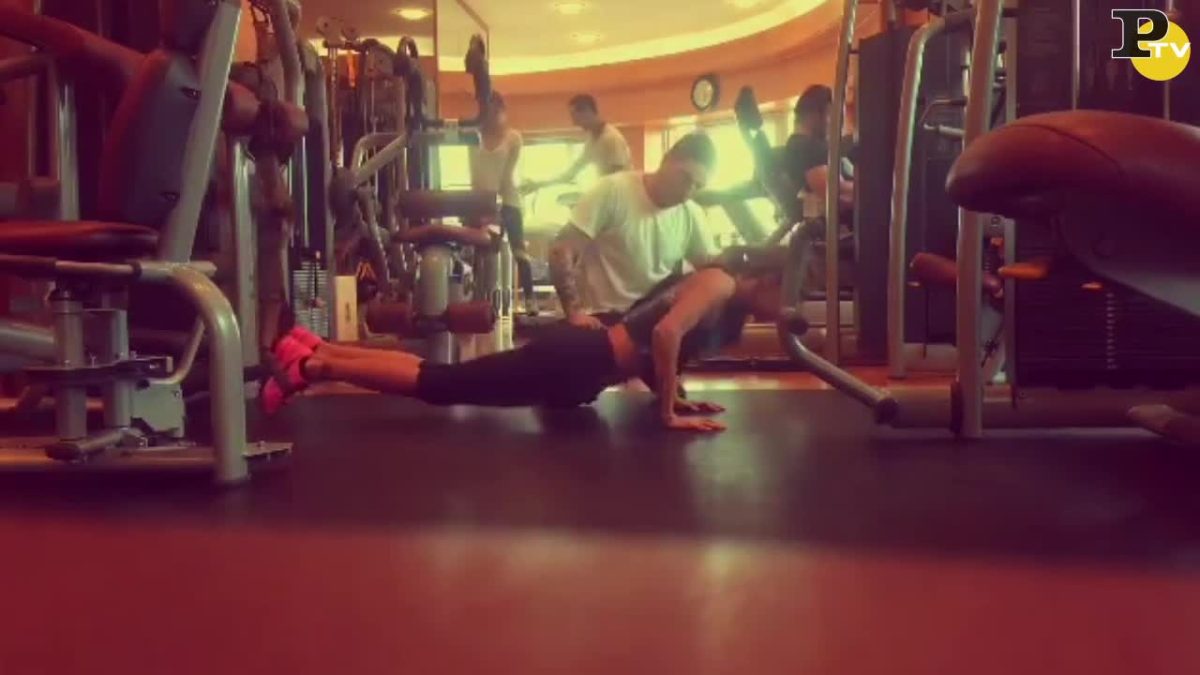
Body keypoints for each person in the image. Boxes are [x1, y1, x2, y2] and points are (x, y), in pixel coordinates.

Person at [260, 256, 784, 433]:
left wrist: (676, 396)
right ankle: (312, 368)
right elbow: (666, 333)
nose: (786, 308)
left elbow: (653, 342)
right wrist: (668, 411)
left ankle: (317, 347)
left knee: (440, 380)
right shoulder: (720, 283)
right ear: (765, 277)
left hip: (582, 366)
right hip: (578, 360)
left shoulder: (723, 293)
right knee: (438, 384)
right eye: (787, 293)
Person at [549, 133, 717, 329]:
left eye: (698, 186)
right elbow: (560, 250)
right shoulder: (612, 190)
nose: (687, 191)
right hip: (602, 319)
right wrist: (575, 313)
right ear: (666, 160)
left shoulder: (691, 213)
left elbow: (710, 270)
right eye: (684, 178)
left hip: (649, 322)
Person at [469, 92, 536, 314]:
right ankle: (479, 303)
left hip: (508, 200)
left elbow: (507, 175)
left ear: (500, 109)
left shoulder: (513, 138)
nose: (486, 112)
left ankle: (530, 301)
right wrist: (479, 206)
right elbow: (474, 174)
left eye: (491, 108)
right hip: (481, 202)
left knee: (519, 252)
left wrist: (497, 205)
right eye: (483, 107)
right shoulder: (472, 136)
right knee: (483, 252)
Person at [523, 94, 632, 192]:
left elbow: (618, 179)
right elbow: (570, 174)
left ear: (587, 112)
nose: (574, 123)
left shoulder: (611, 138)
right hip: (608, 196)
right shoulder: (592, 140)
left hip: (620, 198)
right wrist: (538, 185)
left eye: (575, 117)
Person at [783, 85, 854, 210]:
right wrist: (872, 189)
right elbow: (833, 191)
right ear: (812, 115)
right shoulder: (805, 147)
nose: (833, 122)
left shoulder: (809, 145)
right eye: (830, 114)